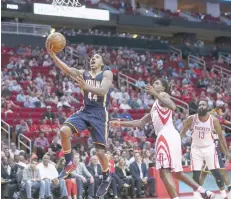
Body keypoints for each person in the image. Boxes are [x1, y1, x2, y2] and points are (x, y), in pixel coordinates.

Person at [110, 79, 215, 199]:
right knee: (177, 173)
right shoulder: (156, 105)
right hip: (172, 136)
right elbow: (139, 123)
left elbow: (173, 106)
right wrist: (120, 123)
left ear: (163, 88)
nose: (154, 84)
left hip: (165, 135)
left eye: (157, 83)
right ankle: (204, 192)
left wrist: (155, 93)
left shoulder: (164, 96)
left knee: (164, 172)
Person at [46, 41, 113, 197]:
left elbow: (103, 90)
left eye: (97, 57)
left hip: (99, 114)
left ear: (102, 62)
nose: (93, 59)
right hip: (86, 110)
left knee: (100, 153)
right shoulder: (84, 74)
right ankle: (69, 162)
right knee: (63, 131)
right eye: (92, 57)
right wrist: (53, 55)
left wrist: (85, 87)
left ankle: (106, 177)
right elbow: (67, 69)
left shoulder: (107, 73)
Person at [181, 100, 230, 199]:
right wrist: (175, 144)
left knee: (216, 171)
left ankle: (224, 194)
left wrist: (226, 152)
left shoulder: (214, 120)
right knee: (196, 172)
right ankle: (196, 195)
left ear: (207, 107)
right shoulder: (191, 119)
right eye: (199, 104)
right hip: (196, 148)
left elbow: (221, 136)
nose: (201, 106)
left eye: (203, 104)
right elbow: (182, 132)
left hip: (210, 148)